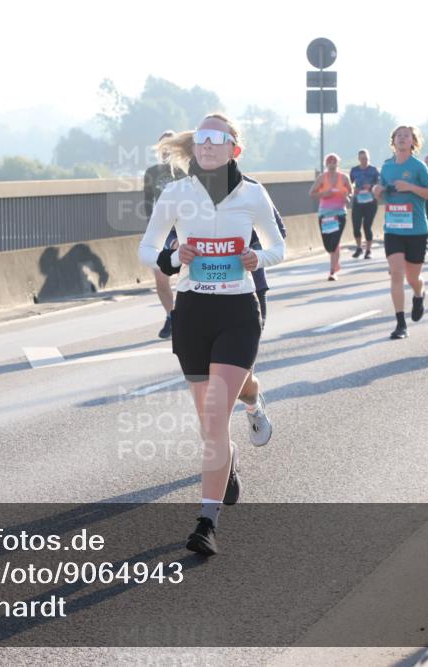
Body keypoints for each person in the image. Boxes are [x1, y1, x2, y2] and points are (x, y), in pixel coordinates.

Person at [139, 113, 285, 555]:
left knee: (217, 414)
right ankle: (229, 462)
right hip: (193, 314)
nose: (205, 145)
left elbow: (278, 245)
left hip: (238, 311)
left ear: (232, 148)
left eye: (215, 139)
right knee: (210, 426)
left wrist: (260, 258)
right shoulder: (176, 194)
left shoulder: (253, 195)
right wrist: (171, 256)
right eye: (200, 139)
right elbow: (148, 246)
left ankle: (207, 522)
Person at [373, 125, 428, 340]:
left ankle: (419, 294)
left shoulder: (418, 167)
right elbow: (382, 195)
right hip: (393, 229)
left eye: (406, 136)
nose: (402, 139)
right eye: (398, 136)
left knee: (413, 278)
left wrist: (411, 187)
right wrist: (378, 191)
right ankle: (400, 323)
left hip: (417, 230)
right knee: (396, 274)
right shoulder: (386, 167)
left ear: (413, 142)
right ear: (393, 141)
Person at [143, 130, 187, 338]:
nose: (165, 152)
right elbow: (146, 204)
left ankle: (189, 315)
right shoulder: (152, 173)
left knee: (185, 276)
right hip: (162, 230)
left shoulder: (187, 172)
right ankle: (172, 317)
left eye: (170, 147)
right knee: (161, 278)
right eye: (162, 148)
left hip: (184, 229)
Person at [309, 153, 351, 280]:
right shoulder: (322, 178)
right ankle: (335, 262)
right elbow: (311, 193)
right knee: (328, 245)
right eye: (329, 162)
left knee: (335, 242)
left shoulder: (344, 177)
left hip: (339, 213)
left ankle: (332, 272)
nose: (332, 164)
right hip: (325, 214)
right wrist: (323, 194)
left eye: (334, 161)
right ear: (326, 164)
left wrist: (347, 197)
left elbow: (350, 192)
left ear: (337, 163)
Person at [349, 149, 380, 259]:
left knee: (367, 226)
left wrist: (371, 187)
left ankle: (368, 250)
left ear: (368, 158)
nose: (364, 161)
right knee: (356, 226)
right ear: (359, 159)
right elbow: (349, 185)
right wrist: (353, 190)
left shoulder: (374, 170)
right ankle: (358, 248)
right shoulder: (354, 170)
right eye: (362, 159)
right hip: (358, 201)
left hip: (371, 202)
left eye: (366, 158)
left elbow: (380, 184)